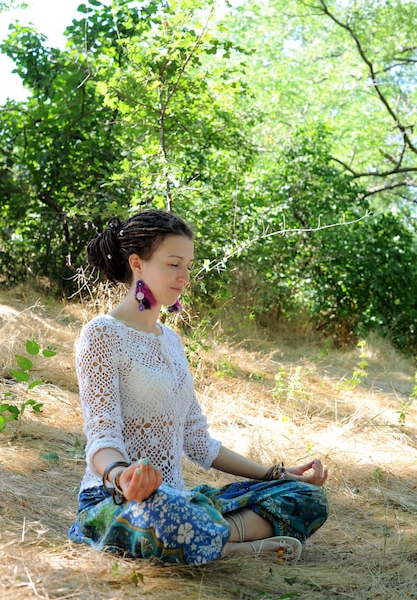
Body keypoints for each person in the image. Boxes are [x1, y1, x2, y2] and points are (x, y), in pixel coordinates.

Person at [68, 208, 328, 565]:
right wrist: (121, 476)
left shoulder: (172, 342)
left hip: (180, 499)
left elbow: (198, 443)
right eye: (173, 264)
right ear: (137, 263)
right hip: (117, 501)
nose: (184, 277)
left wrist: (275, 473)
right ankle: (235, 545)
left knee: (303, 496)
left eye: (188, 266)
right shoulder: (101, 335)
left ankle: (207, 537)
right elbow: (102, 437)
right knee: (166, 510)